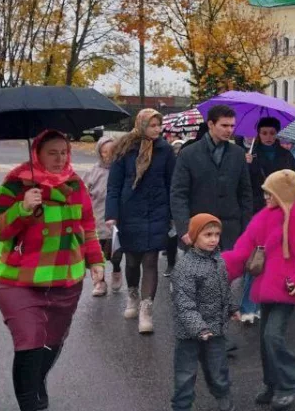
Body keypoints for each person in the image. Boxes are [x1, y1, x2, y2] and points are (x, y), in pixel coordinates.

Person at [0, 130, 104, 411]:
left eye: (64, 152)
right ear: (37, 153)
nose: (60, 158)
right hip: (19, 282)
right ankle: (30, 405)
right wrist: (22, 208)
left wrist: (96, 261)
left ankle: (37, 382)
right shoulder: (15, 185)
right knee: (29, 343)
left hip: (65, 281)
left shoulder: (75, 185)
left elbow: (87, 226)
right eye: (52, 152)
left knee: (52, 342)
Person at [224, 171, 295, 411]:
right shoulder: (264, 217)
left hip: (287, 289)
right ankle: (272, 384)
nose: (265, 197)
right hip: (266, 287)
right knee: (265, 339)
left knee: (272, 336)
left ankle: (288, 384)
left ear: (282, 193)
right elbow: (243, 250)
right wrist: (220, 269)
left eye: (269, 193)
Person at [106, 108, 176, 334]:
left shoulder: (165, 150)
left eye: (159, 125)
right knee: (133, 261)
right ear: (141, 124)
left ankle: (147, 310)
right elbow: (114, 186)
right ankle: (133, 296)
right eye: (153, 125)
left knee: (151, 262)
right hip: (130, 211)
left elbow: (172, 183)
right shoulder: (124, 148)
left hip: (157, 211)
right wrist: (111, 214)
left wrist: (173, 214)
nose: (158, 129)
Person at [171, 214, 237, 411]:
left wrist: (232, 308)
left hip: (215, 329)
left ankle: (223, 395)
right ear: (194, 236)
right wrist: (199, 328)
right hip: (189, 333)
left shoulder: (219, 260)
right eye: (208, 234)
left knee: (218, 368)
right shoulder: (185, 266)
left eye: (217, 234)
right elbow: (184, 303)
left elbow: (225, 289)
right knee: (185, 373)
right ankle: (182, 406)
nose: (214, 239)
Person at [241, 118, 295, 324]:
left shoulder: (286, 157)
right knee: (256, 259)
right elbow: (243, 186)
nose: (268, 137)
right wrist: (247, 165)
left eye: (272, 133)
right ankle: (249, 307)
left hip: (282, 212)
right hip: (257, 212)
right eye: (264, 133)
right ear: (258, 134)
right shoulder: (250, 156)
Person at [172, 105, 253, 253]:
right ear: (210, 124)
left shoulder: (238, 154)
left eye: (232, 126)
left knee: (229, 276)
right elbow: (178, 194)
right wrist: (184, 228)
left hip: (230, 232)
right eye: (224, 125)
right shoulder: (188, 154)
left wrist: (246, 229)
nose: (229, 130)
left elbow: (245, 195)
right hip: (198, 230)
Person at [85, 135, 122, 296]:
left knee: (116, 254)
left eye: (112, 150)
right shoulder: (92, 171)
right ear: (100, 153)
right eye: (104, 151)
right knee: (96, 256)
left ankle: (116, 270)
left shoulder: (122, 169)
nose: (108, 154)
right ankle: (99, 283)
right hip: (96, 221)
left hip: (116, 221)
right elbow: (84, 194)